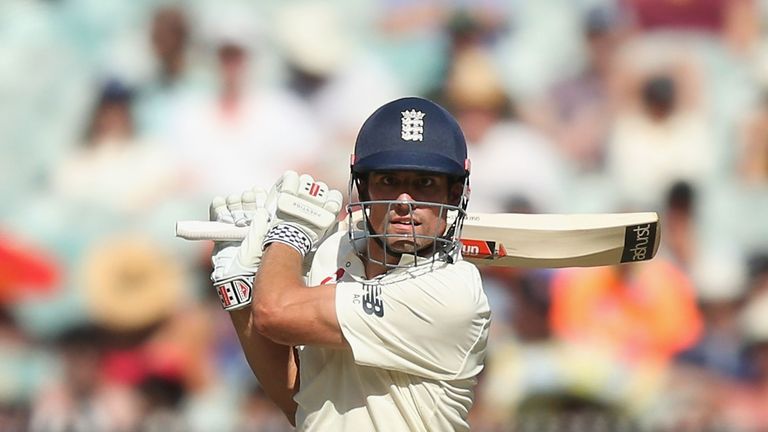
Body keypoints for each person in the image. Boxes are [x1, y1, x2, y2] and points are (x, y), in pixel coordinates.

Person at [207, 97, 491, 430]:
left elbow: (274, 313)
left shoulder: (453, 294)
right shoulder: (333, 254)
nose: (404, 202)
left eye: (424, 183)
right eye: (389, 181)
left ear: (454, 196)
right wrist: (241, 291)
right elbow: (302, 400)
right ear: (364, 189)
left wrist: (289, 234)